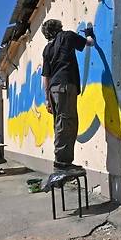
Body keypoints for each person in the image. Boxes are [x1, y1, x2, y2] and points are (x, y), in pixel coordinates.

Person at [41, 19, 95, 170]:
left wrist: (47, 99)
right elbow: (89, 43)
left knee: (61, 123)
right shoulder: (67, 36)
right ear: (59, 27)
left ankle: (63, 161)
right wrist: (90, 33)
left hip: (53, 90)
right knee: (67, 124)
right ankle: (62, 163)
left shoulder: (47, 49)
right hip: (65, 86)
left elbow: (45, 76)